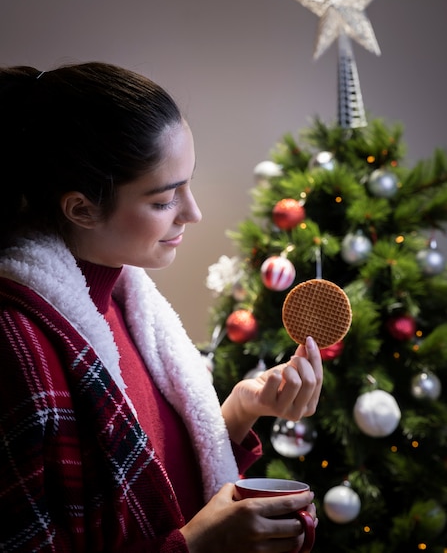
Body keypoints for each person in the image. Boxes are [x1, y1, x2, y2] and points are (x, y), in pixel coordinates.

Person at [0, 61, 323, 552]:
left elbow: (157, 487)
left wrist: (238, 412)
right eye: (164, 200)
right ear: (81, 208)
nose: (193, 213)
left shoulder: (129, 306)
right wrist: (193, 546)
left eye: (188, 185)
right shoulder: (16, 344)